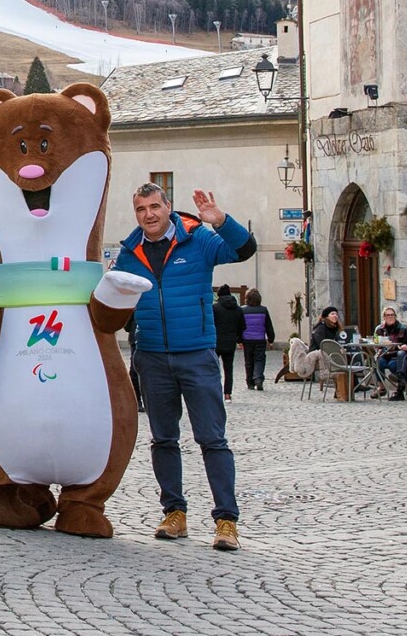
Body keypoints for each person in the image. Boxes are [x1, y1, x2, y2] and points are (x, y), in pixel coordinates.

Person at [113, 183, 255, 552]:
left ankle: (226, 520)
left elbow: (244, 250)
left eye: (155, 206)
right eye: (141, 208)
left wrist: (220, 220)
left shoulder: (198, 240)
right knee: (162, 439)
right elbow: (111, 298)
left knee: (212, 439)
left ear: (168, 206)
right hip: (152, 357)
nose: (149, 214)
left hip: (197, 355)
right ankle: (174, 512)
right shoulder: (130, 253)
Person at [213, 284, 246, 402]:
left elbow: (210, 324)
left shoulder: (215, 308)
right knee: (228, 369)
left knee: (213, 368)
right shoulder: (238, 309)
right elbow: (242, 326)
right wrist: (239, 340)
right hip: (230, 342)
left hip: (216, 342)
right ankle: (227, 394)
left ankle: (214, 392)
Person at [371, 306, 407, 401]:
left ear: (395, 316)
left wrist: (396, 346)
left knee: (393, 365)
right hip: (384, 354)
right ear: (384, 317)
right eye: (387, 315)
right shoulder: (379, 329)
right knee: (377, 361)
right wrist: (379, 349)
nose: (390, 317)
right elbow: (376, 344)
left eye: (392, 315)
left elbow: (406, 343)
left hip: (397, 355)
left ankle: (399, 390)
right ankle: (381, 388)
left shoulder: (403, 328)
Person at [240, 289, 275, 391]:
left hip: (247, 339)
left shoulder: (242, 310)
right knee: (259, 360)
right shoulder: (263, 310)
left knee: (248, 361)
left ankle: (250, 382)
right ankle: (258, 378)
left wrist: (238, 339)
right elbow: (268, 326)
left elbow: (240, 326)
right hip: (260, 339)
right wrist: (271, 338)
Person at [124, 311, 144, 413]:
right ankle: (137, 400)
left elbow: (127, 326)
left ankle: (137, 400)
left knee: (134, 370)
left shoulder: (138, 300)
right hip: (137, 338)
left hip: (135, 337)